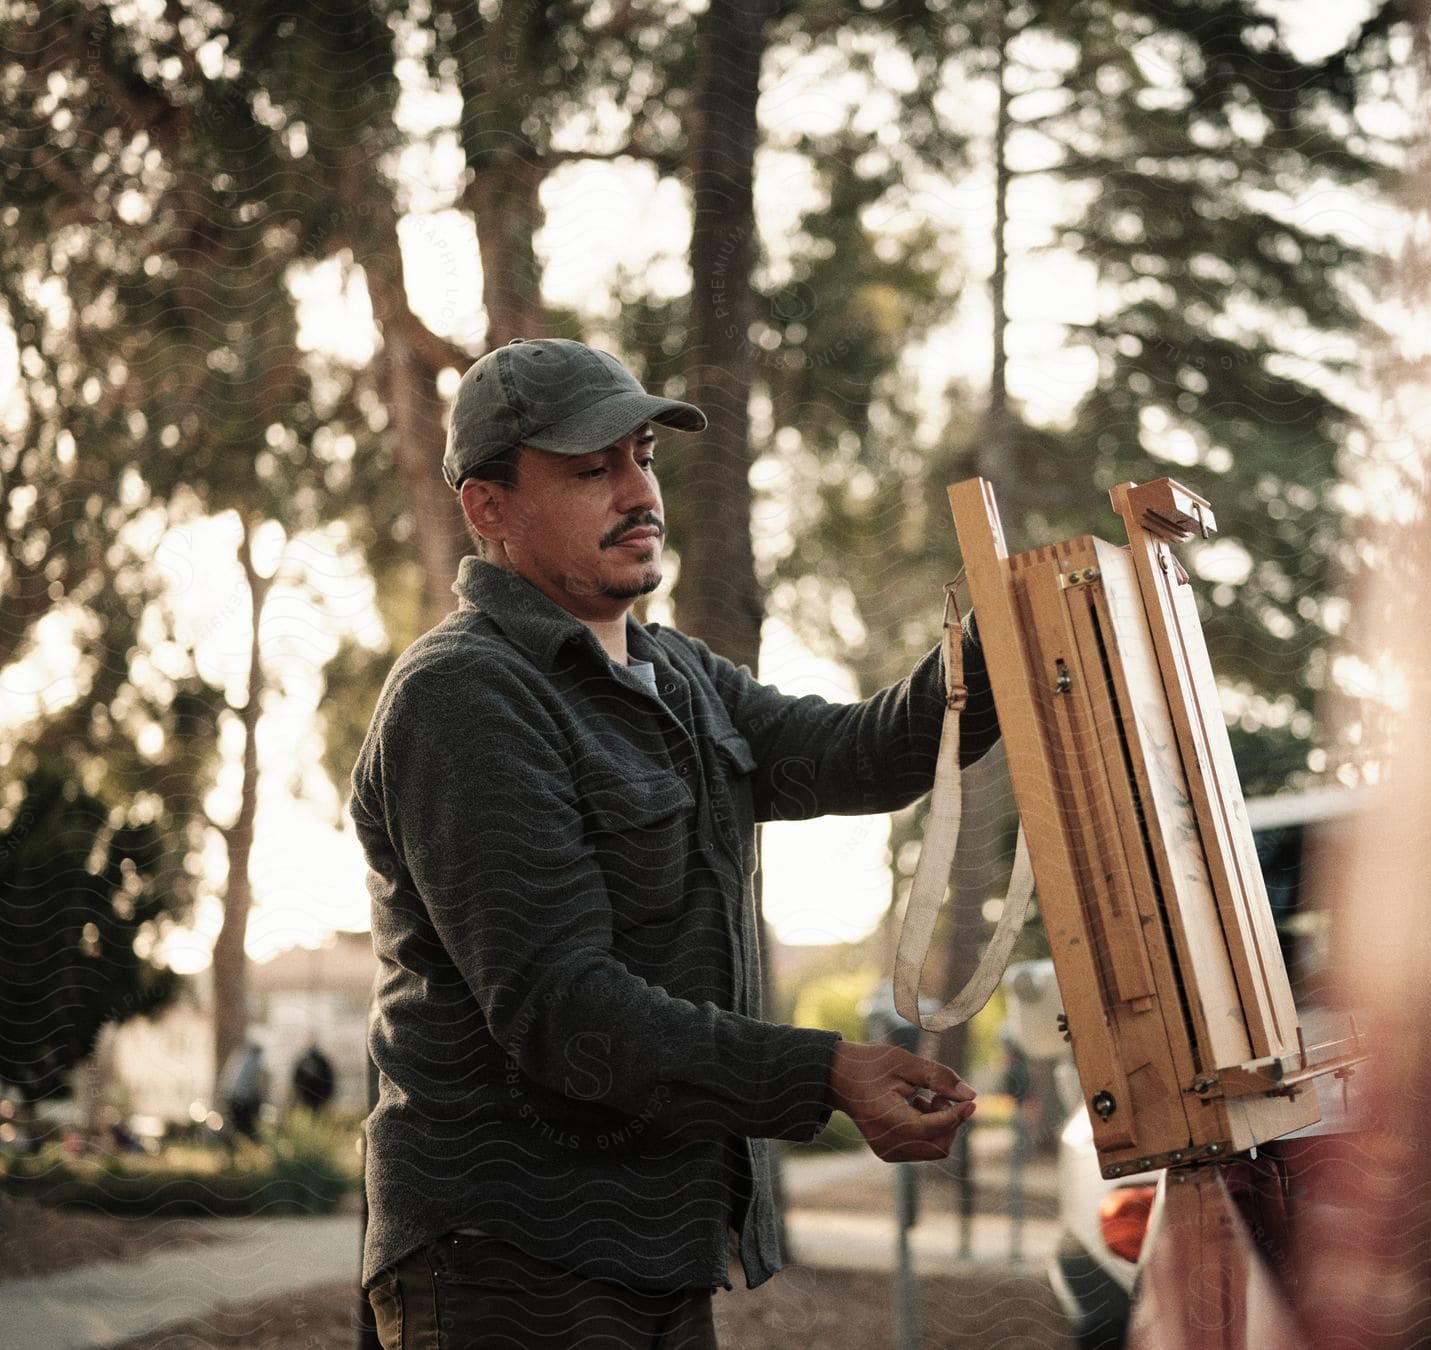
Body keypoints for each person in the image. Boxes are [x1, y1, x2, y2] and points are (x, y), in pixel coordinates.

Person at [351, 338, 998, 1349]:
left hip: (658, 1246)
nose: (637, 491)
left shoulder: (679, 676)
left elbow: (858, 754)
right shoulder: (463, 697)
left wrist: (1003, 642)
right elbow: (567, 1012)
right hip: (508, 1264)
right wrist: (826, 1073)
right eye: (590, 469)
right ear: (488, 508)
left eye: (643, 456)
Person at [291, 1043, 336, 1114]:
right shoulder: (305, 1061)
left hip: (318, 1095)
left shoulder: (321, 1062)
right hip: (310, 1096)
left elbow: (329, 1078)